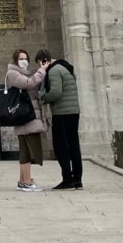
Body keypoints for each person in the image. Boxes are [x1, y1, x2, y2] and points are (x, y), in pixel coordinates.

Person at [38, 49, 82, 190]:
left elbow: (56, 92)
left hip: (62, 113)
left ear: (45, 60)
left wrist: (44, 97)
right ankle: (77, 180)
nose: (41, 67)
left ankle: (67, 180)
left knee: (61, 147)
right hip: (73, 111)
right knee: (74, 146)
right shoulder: (65, 68)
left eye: (40, 63)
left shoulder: (54, 70)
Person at [5, 47, 47, 192]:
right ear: (15, 60)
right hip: (25, 117)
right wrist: (41, 71)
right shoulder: (13, 73)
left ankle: (23, 181)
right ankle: (27, 182)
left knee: (25, 150)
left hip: (28, 118)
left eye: (26, 59)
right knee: (27, 151)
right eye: (21, 59)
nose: (24, 61)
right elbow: (28, 83)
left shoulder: (25, 73)